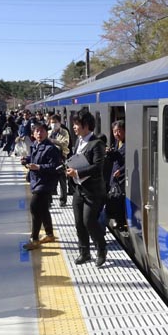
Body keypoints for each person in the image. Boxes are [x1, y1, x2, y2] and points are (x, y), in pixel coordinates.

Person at [66, 110, 107, 267]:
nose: (74, 127)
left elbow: (98, 167)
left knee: (89, 221)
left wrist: (77, 172)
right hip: (79, 188)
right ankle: (84, 252)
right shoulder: (79, 141)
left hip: (93, 191)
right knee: (78, 222)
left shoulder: (97, 144)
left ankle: (101, 249)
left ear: (86, 125)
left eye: (77, 124)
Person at [21, 123, 61, 250]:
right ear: (33, 134)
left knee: (35, 208)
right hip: (36, 181)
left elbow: (55, 167)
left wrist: (38, 167)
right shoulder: (35, 146)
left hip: (45, 183)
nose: (39, 133)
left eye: (42, 131)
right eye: (37, 131)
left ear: (46, 133)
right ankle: (49, 234)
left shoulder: (51, 148)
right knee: (43, 209)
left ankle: (35, 239)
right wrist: (26, 160)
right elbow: (35, 158)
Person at [105, 120, 127, 235]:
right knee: (115, 197)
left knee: (120, 199)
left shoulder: (128, 144)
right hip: (114, 176)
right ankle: (117, 220)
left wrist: (121, 170)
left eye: (119, 131)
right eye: (114, 131)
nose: (117, 134)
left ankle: (121, 222)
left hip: (123, 177)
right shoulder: (117, 142)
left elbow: (129, 162)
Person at [48, 115, 70, 207]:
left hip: (61, 158)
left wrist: (53, 141)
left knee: (62, 180)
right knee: (49, 180)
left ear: (59, 123)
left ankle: (63, 200)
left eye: (55, 122)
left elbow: (65, 143)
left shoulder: (64, 132)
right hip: (50, 159)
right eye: (52, 122)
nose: (53, 124)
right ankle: (49, 200)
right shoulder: (48, 132)